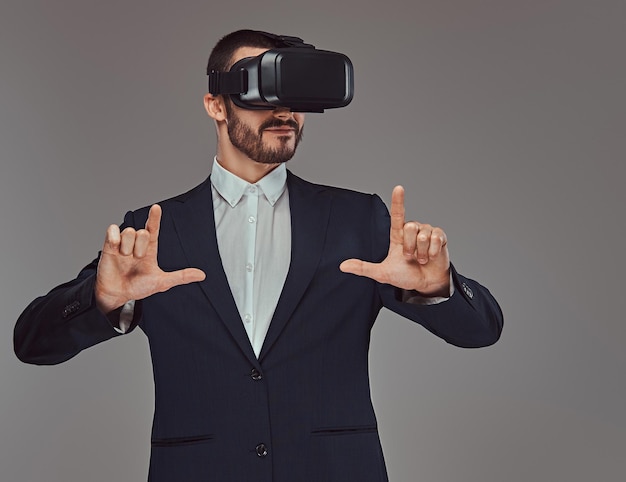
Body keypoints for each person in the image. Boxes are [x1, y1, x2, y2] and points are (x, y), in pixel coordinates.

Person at [14, 29, 503, 482]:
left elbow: (482, 331)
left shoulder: (360, 220)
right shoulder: (156, 231)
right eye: (261, 90)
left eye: (295, 94)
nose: (283, 110)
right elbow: (32, 344)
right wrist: (100, 298)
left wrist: (439, 288)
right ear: (215, 104)